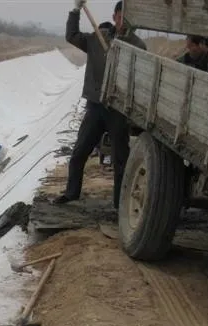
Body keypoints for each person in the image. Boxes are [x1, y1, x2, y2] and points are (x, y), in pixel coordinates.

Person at [53, 0, 147, 209]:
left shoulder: (138, 47)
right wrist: (76, 11)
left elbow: (141, 80)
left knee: (121, 160)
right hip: (96, 106)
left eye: (128, 18)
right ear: (115, 17)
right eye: (121, 16)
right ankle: (71, 193)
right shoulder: (99, 37)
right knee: (79, 153)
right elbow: (72, 36)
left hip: (118, 110)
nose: (124, 21)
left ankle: (119, 204)